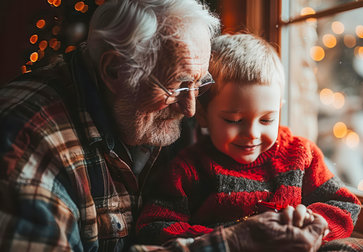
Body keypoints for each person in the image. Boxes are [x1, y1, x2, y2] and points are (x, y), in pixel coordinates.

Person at [0, 1, 329, 251]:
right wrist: (236, 242)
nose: (191, 110)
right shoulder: (25, 141)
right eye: (178, 85)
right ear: (115, 70)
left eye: (199, 85)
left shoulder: (148, 113)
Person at [136, 34, 361, 248]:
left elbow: (344, 205)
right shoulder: (188, 169)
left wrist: (314, 225)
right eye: (234, 120)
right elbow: (154, 229)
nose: (252, 133)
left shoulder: (300, 153)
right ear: (203, 114)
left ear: (279, 111)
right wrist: (232, 237)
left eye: (267, 119)